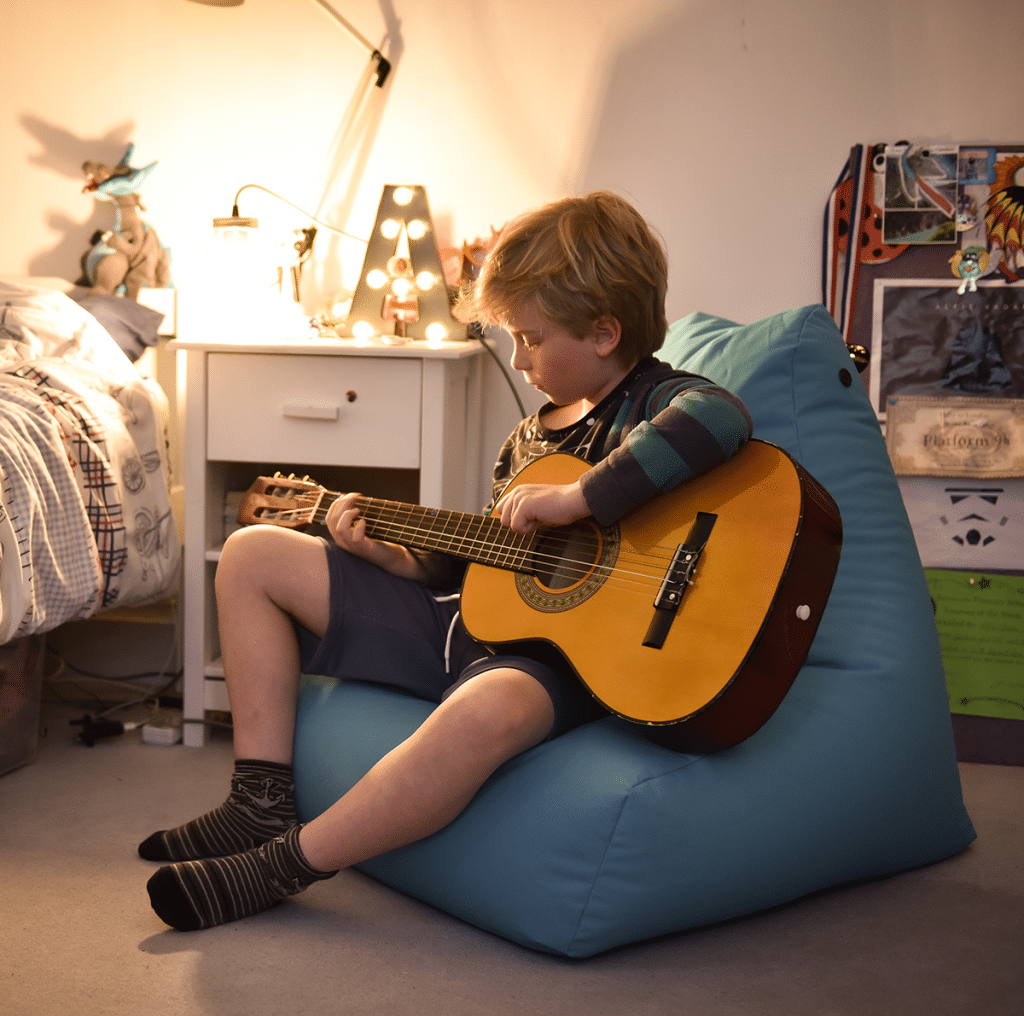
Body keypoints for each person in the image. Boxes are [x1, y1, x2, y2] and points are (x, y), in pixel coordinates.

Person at [142, 190, 753, 931]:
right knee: (249, 554)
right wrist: (400, 558)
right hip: (464, 626)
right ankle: (258, 802)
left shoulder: (657, 402)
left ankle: (283, 867)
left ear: (603, 332)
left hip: (558, 664)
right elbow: (499, 567)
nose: (519, 360)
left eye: (530, 339)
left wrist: (580, 499)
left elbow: (720, 420)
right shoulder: (527, 442)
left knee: (490, 707)